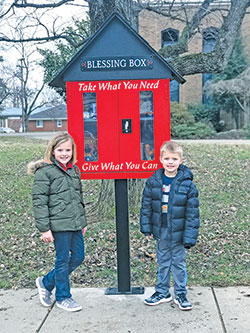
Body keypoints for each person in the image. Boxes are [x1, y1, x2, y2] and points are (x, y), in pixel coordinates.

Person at [27, 133, 87, 312]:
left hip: (75, 223)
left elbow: (78, 198)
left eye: (68, 150)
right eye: (60, 150)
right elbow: (39, 202)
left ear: (72, 151)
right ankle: (63, 297)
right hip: (58, 225)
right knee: (62, 259)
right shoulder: (45, 172)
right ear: (52, 150)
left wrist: (82, 222)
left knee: (78, 257)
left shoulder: (74, 170)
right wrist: (44, 229)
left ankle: (46, 282)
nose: (64, 153)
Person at [140, 141, 200, 311]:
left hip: (179, 232)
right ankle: (162, 291)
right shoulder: (153, 182)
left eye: (174, 159)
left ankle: (180, 293)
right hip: (162, 230)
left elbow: (193, 213)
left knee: (179, 263)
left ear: (181, 160)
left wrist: (190, 236)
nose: (170, 162)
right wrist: (146, 227)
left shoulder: (187, 184)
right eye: (167, 158)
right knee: (164, 261)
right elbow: (146, 206)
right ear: (160, 159)